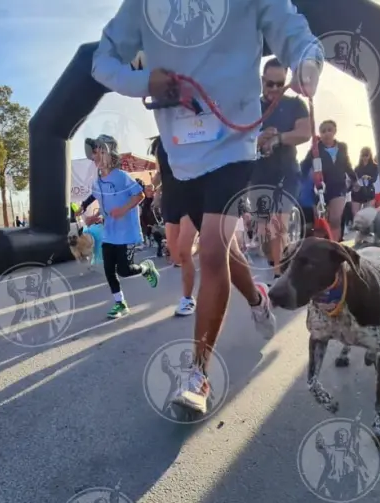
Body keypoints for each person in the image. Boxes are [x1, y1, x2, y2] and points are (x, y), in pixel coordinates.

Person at [92, 1, 321, 413]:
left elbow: (290, 28)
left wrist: (307, 59)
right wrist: (144, 80)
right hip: (180, 152)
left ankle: (197, 376)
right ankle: (258, 300)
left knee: (213, 249)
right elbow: (102, 62)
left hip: (234, 146)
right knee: (221, 252)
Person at [81, 134, 160, 319]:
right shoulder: (97, 182)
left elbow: (139, 195)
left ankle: (146, 269)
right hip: (109, 233)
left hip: (126, 233)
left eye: (100, 154)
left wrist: (123, 209)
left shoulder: (121, 177)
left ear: (110, 156)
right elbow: (102, 201)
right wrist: (94, 215)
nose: (96, 159)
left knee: (124, 270)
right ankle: (120, 303)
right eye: (94, 156)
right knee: (109, 270)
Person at [256, 57, 314, 281]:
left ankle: (278, 275)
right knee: (266, 233)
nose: (274, 89)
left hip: (287, 173)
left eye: (280, 84)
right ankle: (280, 255)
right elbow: (235, 136)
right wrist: (259, 139)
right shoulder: (250, 106)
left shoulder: (295, 105)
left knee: (277, 222)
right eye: (270, 84)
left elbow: (305, 133)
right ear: (262, 81)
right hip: (258, 175)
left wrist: (279, 138)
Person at [151, 136, 199, 315]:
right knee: (176, 255)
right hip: (170, 199)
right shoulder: (159, 144)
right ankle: (199, 245)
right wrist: (155, 189)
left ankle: (187, 299)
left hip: (191, 196)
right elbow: (160, 172)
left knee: (184, 251)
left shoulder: (191, 134)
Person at [301, 120, 356, 242]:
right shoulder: (315, 149)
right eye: (323, 131)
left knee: (335, 219)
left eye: (329, 130)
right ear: (320, 134)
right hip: (320, 188)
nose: (326, 133)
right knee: (320, 221)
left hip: (338, 187)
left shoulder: (342, 147)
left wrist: (354, 179)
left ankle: (335, 245)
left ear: (335, 131)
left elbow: (347, 164)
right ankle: (321, 247)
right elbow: (305, 166)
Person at [351, 147, 379, 215]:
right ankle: (357, 225)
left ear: (370, 155)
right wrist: (355, 184)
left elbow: (374, 179)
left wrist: (368, 177)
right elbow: (353, 179)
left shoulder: (375, 167)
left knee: (368, 214)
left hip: (368, 191)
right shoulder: (357, 168)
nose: (364, 157)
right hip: (358, 191)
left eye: (366, 155)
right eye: (362, 155)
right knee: (355, 214)